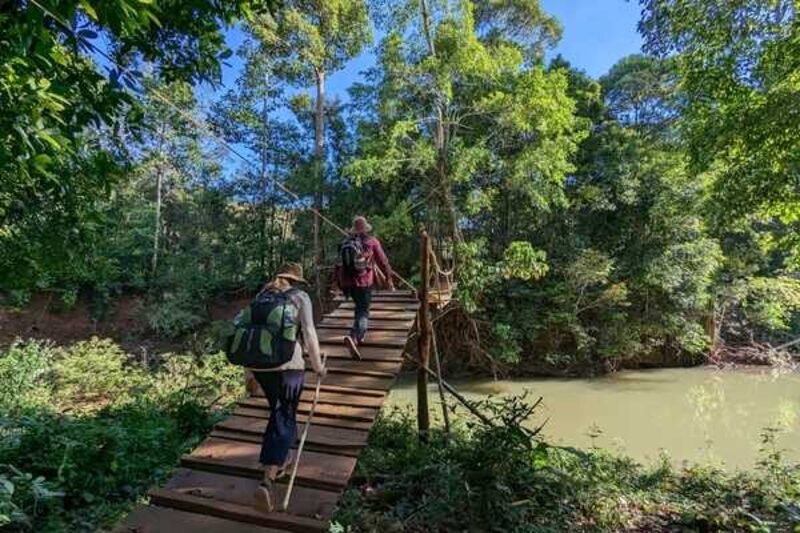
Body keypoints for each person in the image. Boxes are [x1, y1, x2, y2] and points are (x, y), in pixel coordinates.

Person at [240, 262, 326, 512]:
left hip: (260, 368)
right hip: (290, 367)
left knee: (279, 412)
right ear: (296, 280)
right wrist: (318, 366)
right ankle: (267, 479)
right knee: (284, 416)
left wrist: (249, 376)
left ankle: (283, 458)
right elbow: (309, 333)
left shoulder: (261, 296)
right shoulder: (300, 297)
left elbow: (249, 336)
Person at [337, 215, 394, 359]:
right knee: (364, 311)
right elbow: (383, 261)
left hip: (347, 284)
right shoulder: (372, 242)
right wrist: (389, 279)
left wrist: (339, 284)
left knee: (359, 307)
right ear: (366, 229)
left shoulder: (346, 243)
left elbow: (339, 265)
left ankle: (358, 337)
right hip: (363, 283)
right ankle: (354, 336)